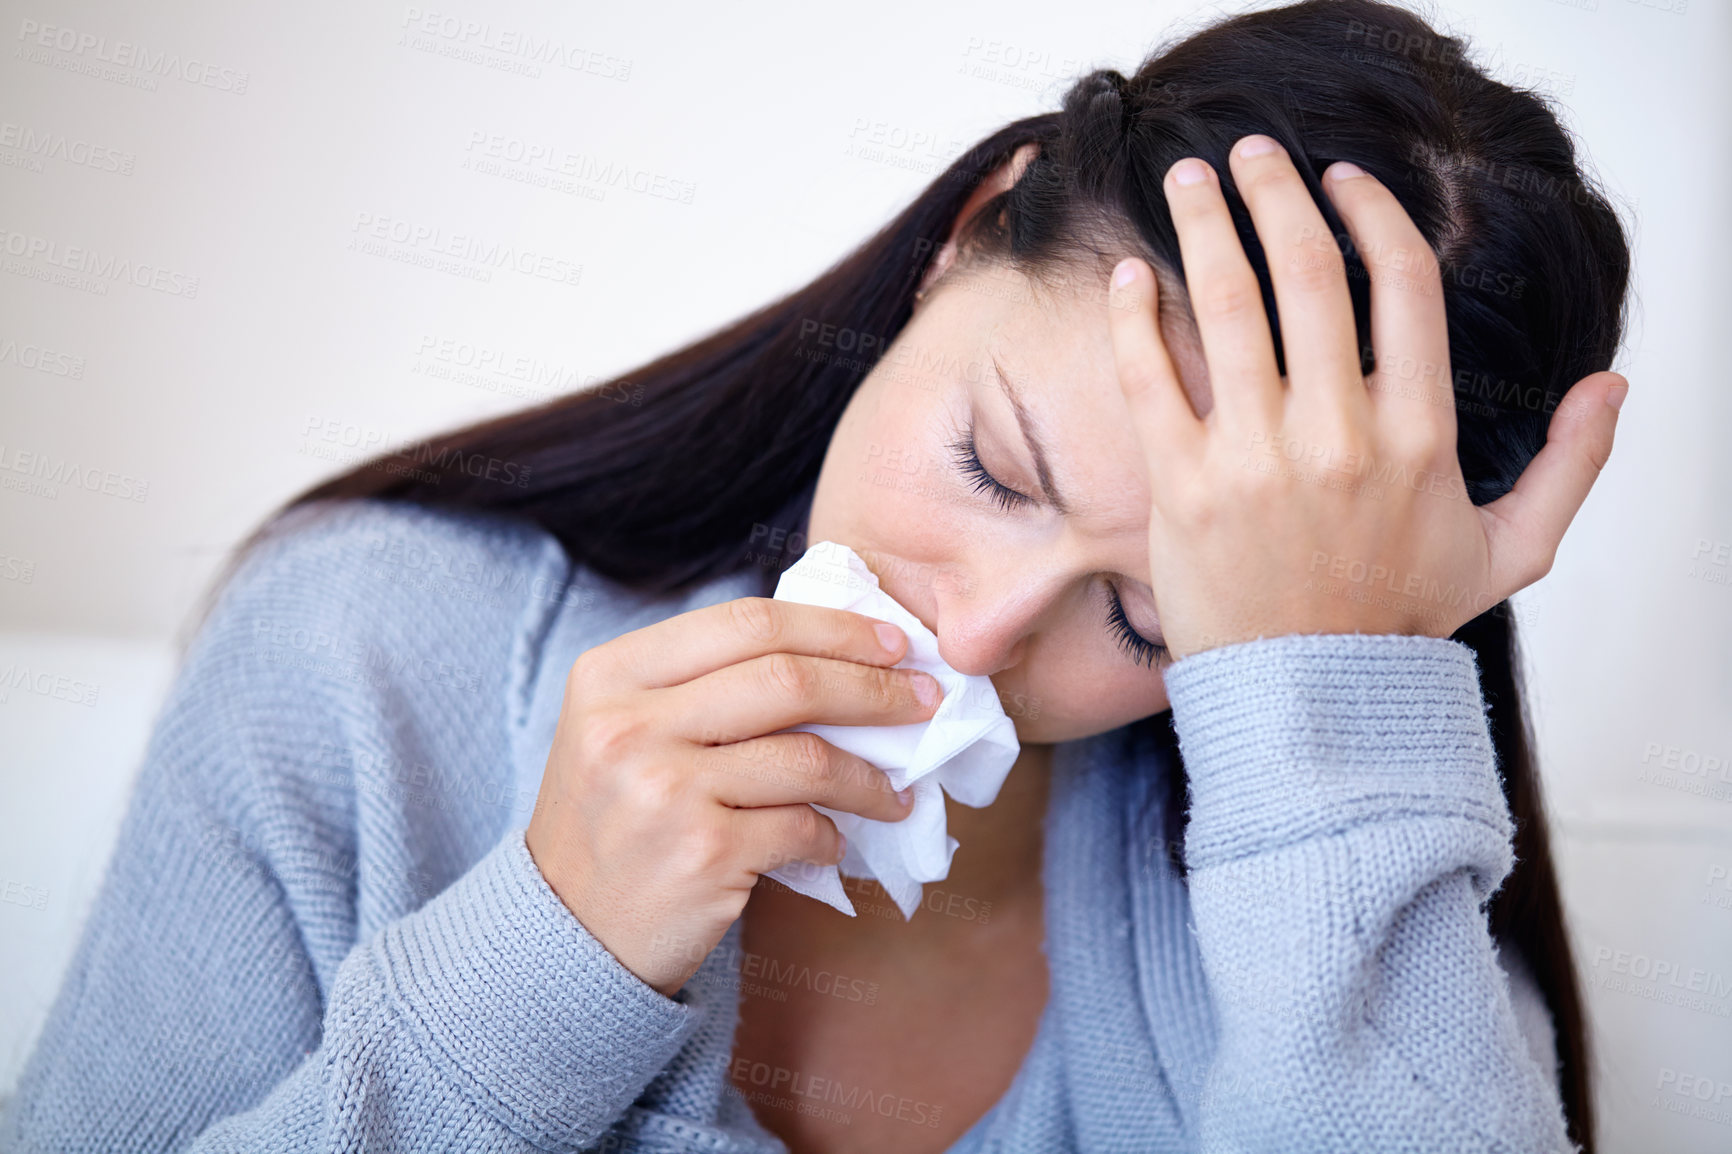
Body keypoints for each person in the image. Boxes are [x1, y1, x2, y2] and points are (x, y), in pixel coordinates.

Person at [0, 1, 1630, 1150]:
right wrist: (545, 952)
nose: (979, 630)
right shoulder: (360, 656)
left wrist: (1338, 713)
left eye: (1158, 619)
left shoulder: (1333, 902)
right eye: (995, 464)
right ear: (966, 240)